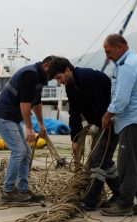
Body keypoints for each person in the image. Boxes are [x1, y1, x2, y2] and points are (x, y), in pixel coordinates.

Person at [47, 57, 120, 211]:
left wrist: (101, 127)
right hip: (100, 124)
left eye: (59, 77)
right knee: (104, 160)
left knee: (96, 161)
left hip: (111, 123)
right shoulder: (71, 85)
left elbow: (101, 105)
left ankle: (91, 201)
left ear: (68, 70)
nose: (59, 82)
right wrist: (75, 138)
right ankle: (119, 194)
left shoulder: (87, 79)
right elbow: (74, 113)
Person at [100, 34, 137, 216]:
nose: (108, 56)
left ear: (119, 47)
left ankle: (124, 204)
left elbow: (121, 99)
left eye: (109, 51)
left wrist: (107, 115)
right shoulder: (135, 62)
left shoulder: (128, 66)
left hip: (134, 122)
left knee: (127, 166)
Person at [0, 56, 56, 202]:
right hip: (3, 116)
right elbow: (25, 103)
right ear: (46, 66)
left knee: (26, 152)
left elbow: (36, 102)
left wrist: (41, 124)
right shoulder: (30, 74)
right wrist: (29, 128)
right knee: (19, 150)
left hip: (12, 118)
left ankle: (23, 189)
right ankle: (8, 191)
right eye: (53, 73)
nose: (53, 78)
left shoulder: (39, 78)